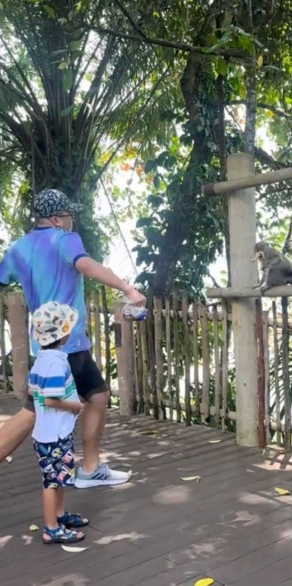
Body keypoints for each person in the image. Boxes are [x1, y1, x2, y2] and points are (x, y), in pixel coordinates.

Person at [0, 188, 145, 487]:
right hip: (67, 343)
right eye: (68, 216)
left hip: (47, 344)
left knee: (97, 395)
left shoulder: (17, 249)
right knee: (33, 411)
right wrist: (128, 289)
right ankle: (90, 470)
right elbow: (85, 265)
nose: (71, 221)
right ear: (55, 219)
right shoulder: (66, 240)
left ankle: (91, 469)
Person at [28, 301, 90, 544]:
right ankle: (51, 528)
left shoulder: (42, 359)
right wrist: (74, 406)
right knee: (51, 482)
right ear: (63, 333)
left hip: (52, 432)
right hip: (53, 435)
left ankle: (60, 515)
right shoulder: (55, 362)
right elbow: (51, 399)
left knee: (59, 477)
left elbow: (34, 393)